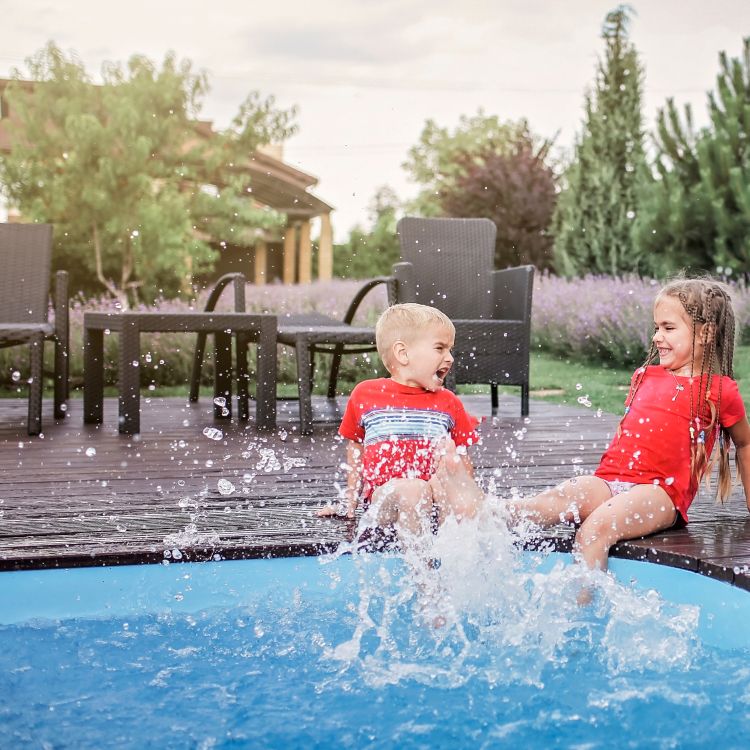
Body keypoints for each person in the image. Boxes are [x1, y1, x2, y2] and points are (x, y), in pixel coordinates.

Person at [509, 276, 750, 574]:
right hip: (609, 482)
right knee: (544, 505)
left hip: (659, 494)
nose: (657, 337)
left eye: (669, 328)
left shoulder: (719, 390)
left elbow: (744, 443)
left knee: (592, 531)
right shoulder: (644, 376)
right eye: (656, 328)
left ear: (706, 333)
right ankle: (478, 515)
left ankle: (584, 616)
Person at [316, 303, 484, 544]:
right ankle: (425, 581)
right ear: (403, 354)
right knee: (413, 489)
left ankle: (452, 558)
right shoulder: (366, 395)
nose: (449, 358)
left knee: (443, 477)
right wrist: (349, 502)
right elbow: (356, 450)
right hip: (386, 502)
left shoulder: (448, 402)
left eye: (450, 350)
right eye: (440, 348)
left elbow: (462, 462)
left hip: (434, 504)